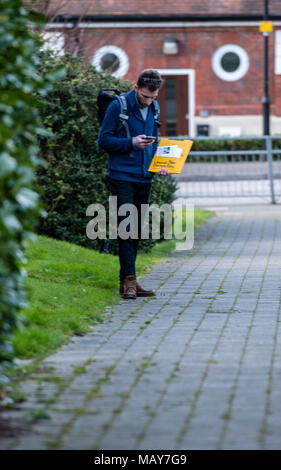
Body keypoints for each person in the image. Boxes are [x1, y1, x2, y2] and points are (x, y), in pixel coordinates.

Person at [98, 69, 169, 299]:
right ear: (136, 87)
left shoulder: (154, 108)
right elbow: (104, 140)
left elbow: (153, 142)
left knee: (136, 229)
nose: (149, 101)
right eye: (146, 96)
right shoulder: (118, 107)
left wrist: (161, 164)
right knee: (126, 227)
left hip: (144, 177)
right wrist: (131, 142)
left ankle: (128, 280)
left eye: (153, 97)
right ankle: (129, 281)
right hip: (122, 177)